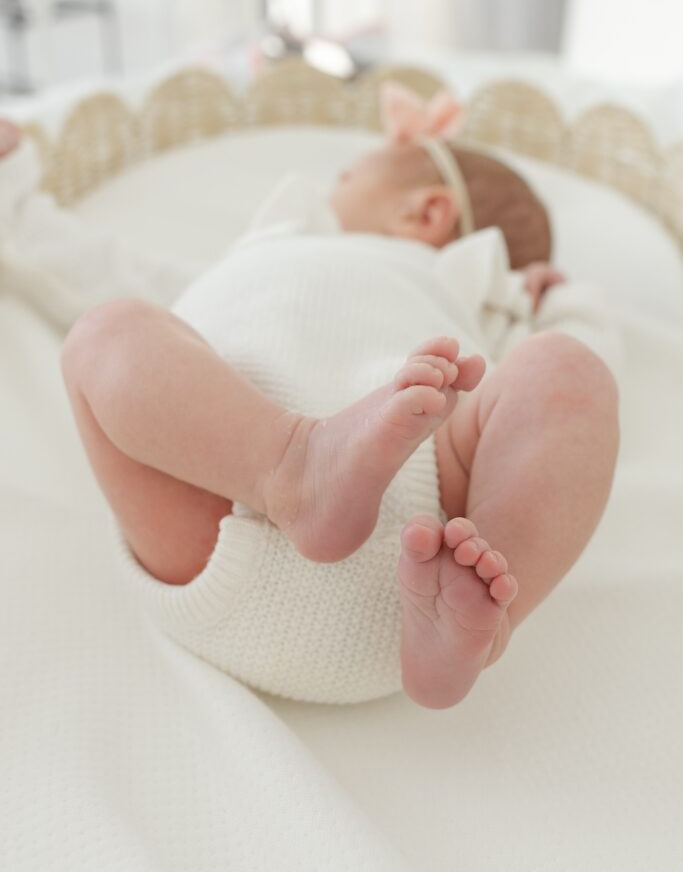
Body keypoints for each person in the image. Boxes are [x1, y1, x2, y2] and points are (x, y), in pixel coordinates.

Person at [0, 88, 619, 708]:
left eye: (346, 177)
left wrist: (558, 305)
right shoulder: (251, 258)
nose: (328, 188)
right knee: (108, 329)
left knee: (565, 367)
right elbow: (88, 269)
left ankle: (479, 610)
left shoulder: (480, 299)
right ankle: (292, 465)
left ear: (426, 212)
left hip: (417, 566)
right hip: (218, 504)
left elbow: (566, 409)